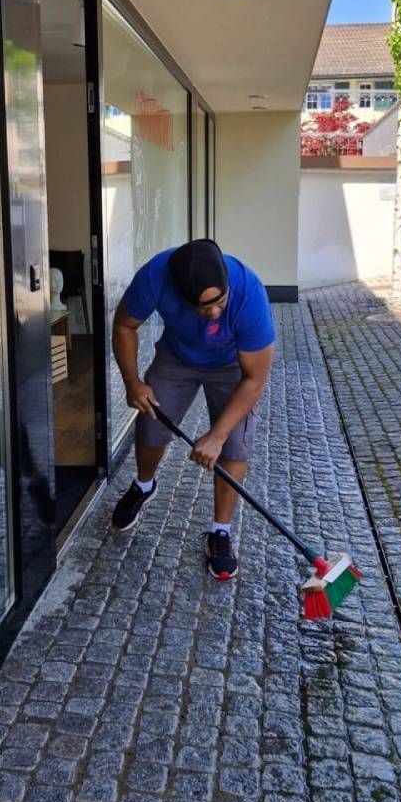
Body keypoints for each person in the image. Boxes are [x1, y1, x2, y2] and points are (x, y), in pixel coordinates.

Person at [110, 239, 275, 581]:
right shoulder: (156, 275)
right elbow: (124, 324)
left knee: (233, 445)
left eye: (219, 302)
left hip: (233, 366)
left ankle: (221, 531)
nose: (214, 313)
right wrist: (132, 382)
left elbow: (255, 378)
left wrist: (216, 435)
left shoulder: (249, 291)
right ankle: (143, 486)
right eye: (203, 307)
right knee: (151, 424)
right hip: (177, 356)